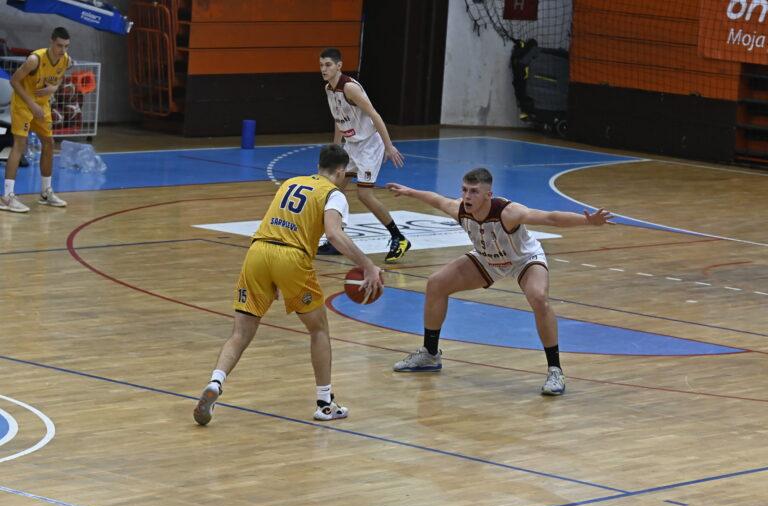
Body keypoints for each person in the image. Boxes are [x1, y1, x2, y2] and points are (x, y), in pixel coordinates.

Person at [194, 144, 383, 425]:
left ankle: (215, 382)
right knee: (318, 329)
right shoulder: (334, 194)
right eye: (347, 175)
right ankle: (325, 404)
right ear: (341, 172)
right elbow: (334, 234)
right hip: (291, 257)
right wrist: (368, 265)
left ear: (319, 166)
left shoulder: (291, 183)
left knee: (241, 332)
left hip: (258, 252)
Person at [386, 168, 614, 395]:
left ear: (488, 195)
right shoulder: (460, 209)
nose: (467, 196)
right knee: (436, 283)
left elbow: (550, 218)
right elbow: (436, 199)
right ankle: (430, 353)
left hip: (523, 259)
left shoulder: (509, 213)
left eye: (474, 191)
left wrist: (588, 221)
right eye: (464, 190)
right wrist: (410, 191)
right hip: (488, 259)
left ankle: (555, 370)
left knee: (538, 297)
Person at [317, 47, 411, 263]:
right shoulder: (328, 88)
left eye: (328, 65)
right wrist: (336, 147)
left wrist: (388, 146)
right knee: (335, 189)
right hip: (351, 145)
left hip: (369, 145)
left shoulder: (349, 88)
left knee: (364, 195)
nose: (324, 69)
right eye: (321, 65)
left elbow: (375, 115)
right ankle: (337, 240)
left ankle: (399, 238)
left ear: (339, 66)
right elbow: (339, 119)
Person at [1, 27, 71, 213]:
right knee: (19, 145)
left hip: (42, 106)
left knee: (49, 143)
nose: (62, 50)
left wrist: (53, 88)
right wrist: (31, 104)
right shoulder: (35, 60)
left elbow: (59, 78)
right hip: (24, 104)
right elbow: (14, 81)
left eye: (66, 46)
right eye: (59, 45)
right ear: (51, 41)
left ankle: (46, 192)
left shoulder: (66, 60)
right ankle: (7, 197)